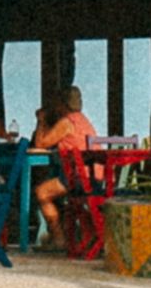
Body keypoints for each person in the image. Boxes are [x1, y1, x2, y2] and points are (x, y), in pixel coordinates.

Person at [31, 83, 101, 233]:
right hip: (97, 178)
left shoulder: (67, 123)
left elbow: (41, 143)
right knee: (54, 186)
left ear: (62, 104)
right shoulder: (83, 120)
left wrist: (41, 120)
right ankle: (59, 235)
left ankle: (58, 237)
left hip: (82, 179)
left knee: (41, 192)